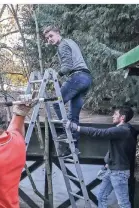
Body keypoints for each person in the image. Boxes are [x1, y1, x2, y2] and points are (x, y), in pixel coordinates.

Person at [63, 106, 137, 208]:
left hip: (119, 172)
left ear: (122, 118)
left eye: (115, 114)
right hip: (112, 169)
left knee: (124, 203)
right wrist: (108, 161)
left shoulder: (122, 130)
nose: (112, 116)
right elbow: (119, 149)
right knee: (101, 195)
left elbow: (99, 133)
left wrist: (76, 127)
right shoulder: (125, 130)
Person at [43, 26, 92, 154]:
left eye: (51, 36)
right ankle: (73, 147)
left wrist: (55, 75)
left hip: (78, 77)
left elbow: (67, 66)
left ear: (58, 33)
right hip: (86, 78)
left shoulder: (62, 45)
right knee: (73, 115)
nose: (49, 39)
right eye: (47, 38)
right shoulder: (70, 42)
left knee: (57, 104)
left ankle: (66, 132)